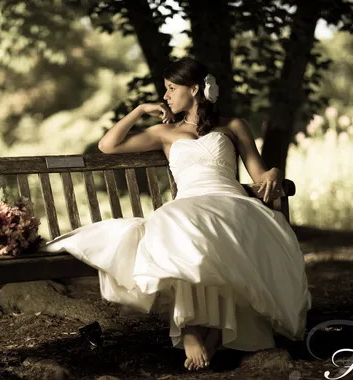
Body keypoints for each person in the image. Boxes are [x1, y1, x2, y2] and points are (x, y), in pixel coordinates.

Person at [42, 57, 311, 371]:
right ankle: (195, 329)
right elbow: (107, 146)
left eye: (172, 88)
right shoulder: (164, 132)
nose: (166, 96)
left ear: (194, 89)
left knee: (217, 231)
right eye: (165, 90)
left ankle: (210, 333)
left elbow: (260, 175)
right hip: (190, 202)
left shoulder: (233, 126)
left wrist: (275, 172)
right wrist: (141, 110)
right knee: (183, 228)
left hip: (231, 200)